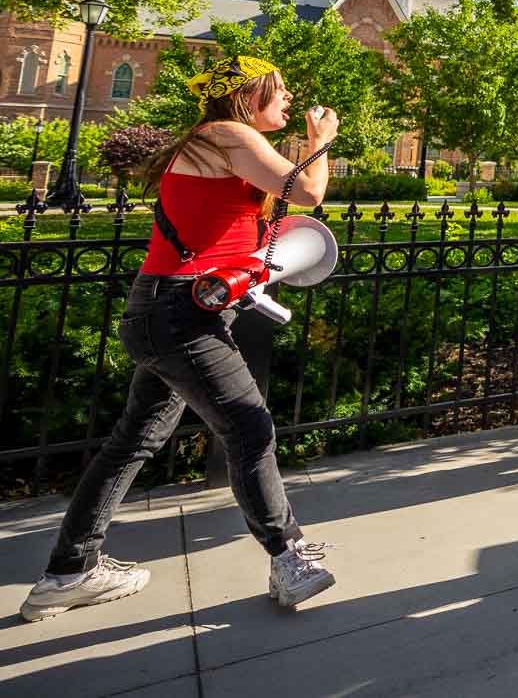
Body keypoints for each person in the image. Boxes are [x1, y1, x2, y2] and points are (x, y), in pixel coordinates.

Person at [21, 56, 337, 621]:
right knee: (248, 425)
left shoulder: (216, 141)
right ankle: (289, 558)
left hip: (166, 308)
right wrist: (321, 141)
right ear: (248, 96)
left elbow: (260, 211)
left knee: (134, 438)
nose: (289, 98)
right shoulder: (225, 133)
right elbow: (308, 192)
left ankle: (69, 571)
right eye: (280, 90)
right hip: (182, 314)